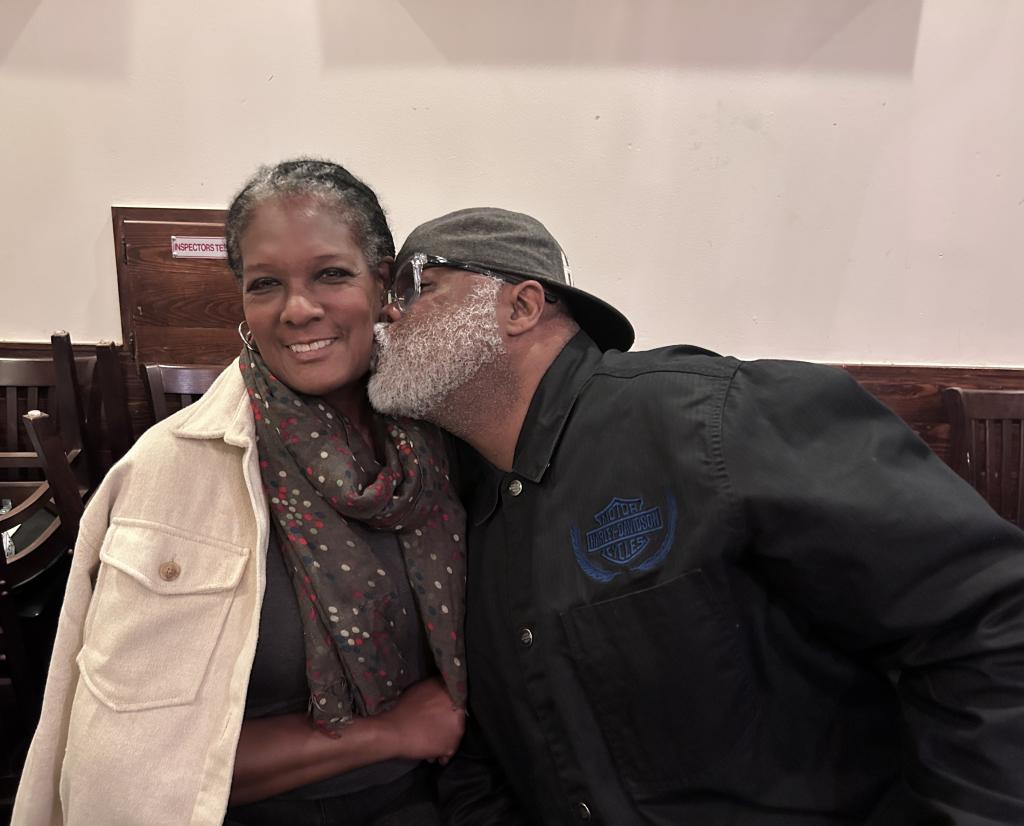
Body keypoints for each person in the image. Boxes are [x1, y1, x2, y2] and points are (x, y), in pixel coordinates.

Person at [368, 207, 1024, 825]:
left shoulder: (713, 422)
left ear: (521, 306)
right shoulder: (460, 513)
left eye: (416, 284)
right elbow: (485, 756)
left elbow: (989, 618)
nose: (385, 313)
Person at [13, 160, 468, 826]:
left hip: (452, 797)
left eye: (331, 274)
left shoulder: (441, 446)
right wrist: (388, 733)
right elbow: (134, 762)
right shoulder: (170, 474)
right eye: (265, 284)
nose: (298, 309)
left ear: (382, 283)